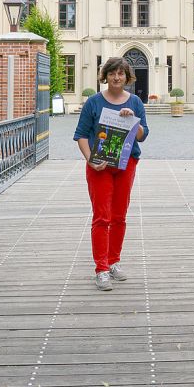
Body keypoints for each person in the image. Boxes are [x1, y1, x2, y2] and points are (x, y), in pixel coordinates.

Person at [73, 57, 149, 290]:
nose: (117, 77)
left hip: (126, 165)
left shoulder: (135, 102)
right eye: (112, 73)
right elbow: (81, 136)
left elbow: (142, 135)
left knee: (119, 216)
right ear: (104, 76)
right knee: (101, 217)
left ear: (127, 77)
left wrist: (132, 121)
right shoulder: (93, 103)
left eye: (121, 74)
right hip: (100, 167)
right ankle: (102, 268)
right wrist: (90, 160)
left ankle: (114, 261)